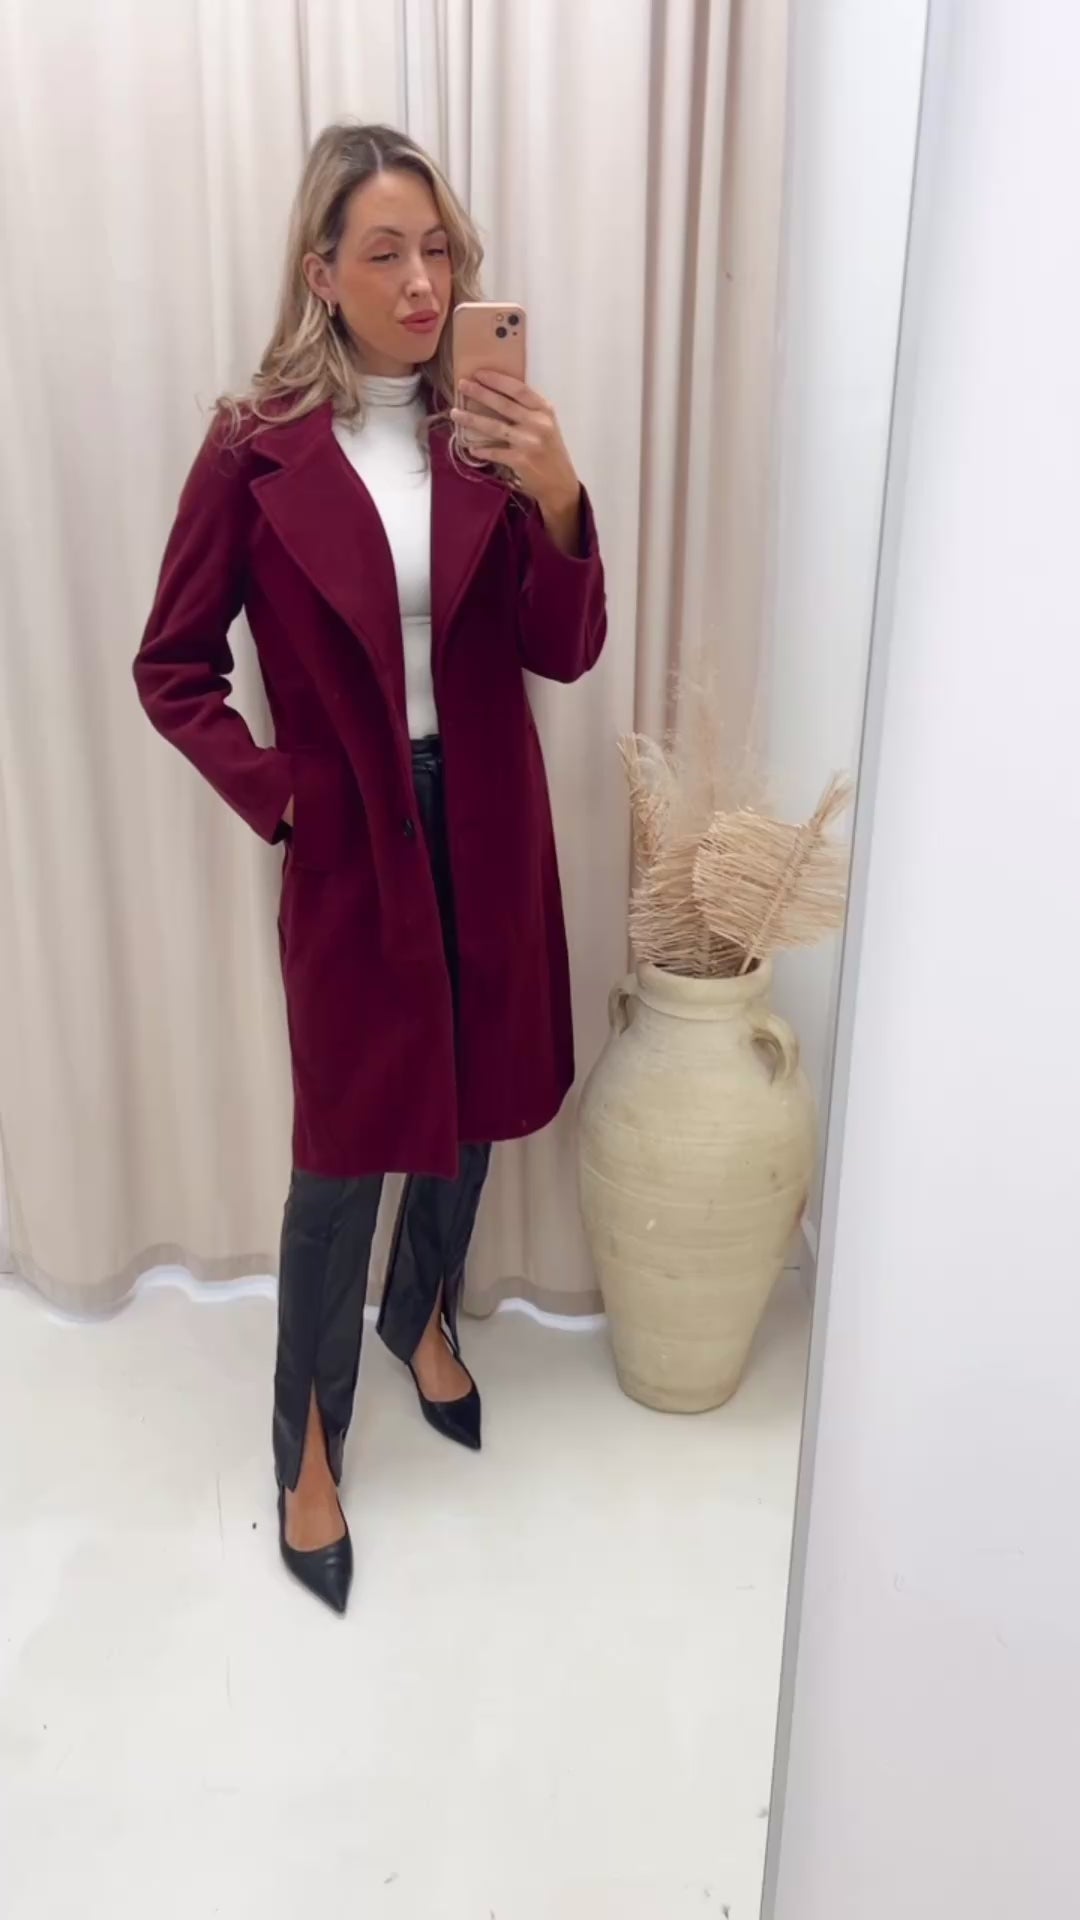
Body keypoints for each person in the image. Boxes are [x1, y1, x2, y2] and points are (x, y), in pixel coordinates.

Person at [133, 123, 607, 1613]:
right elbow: (171, 666)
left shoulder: (488, 433)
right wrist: (284, 800)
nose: (421, 282)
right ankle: (308, 1443)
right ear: (320, 272)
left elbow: (562, 651)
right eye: (385, 252)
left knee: (474, 1101)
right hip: (353, 835)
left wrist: (556, 493)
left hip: (491, 820)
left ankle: (426, 1314)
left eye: (438, 251)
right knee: (342, 1153)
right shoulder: (253, 448)